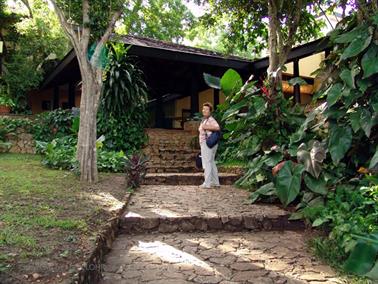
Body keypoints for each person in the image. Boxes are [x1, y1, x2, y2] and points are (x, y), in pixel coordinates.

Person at [198, 102, 220, 189]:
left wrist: (205, 127)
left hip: (208, 144)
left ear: (210, 111)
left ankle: (207, 183)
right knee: (211, 162)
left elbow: (217, 127)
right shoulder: (205, 119)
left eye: (206, 109)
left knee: (207, 163)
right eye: (203, 109)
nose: (204, 111)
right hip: (210, 144)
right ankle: (215, 182)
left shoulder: (211, 119)